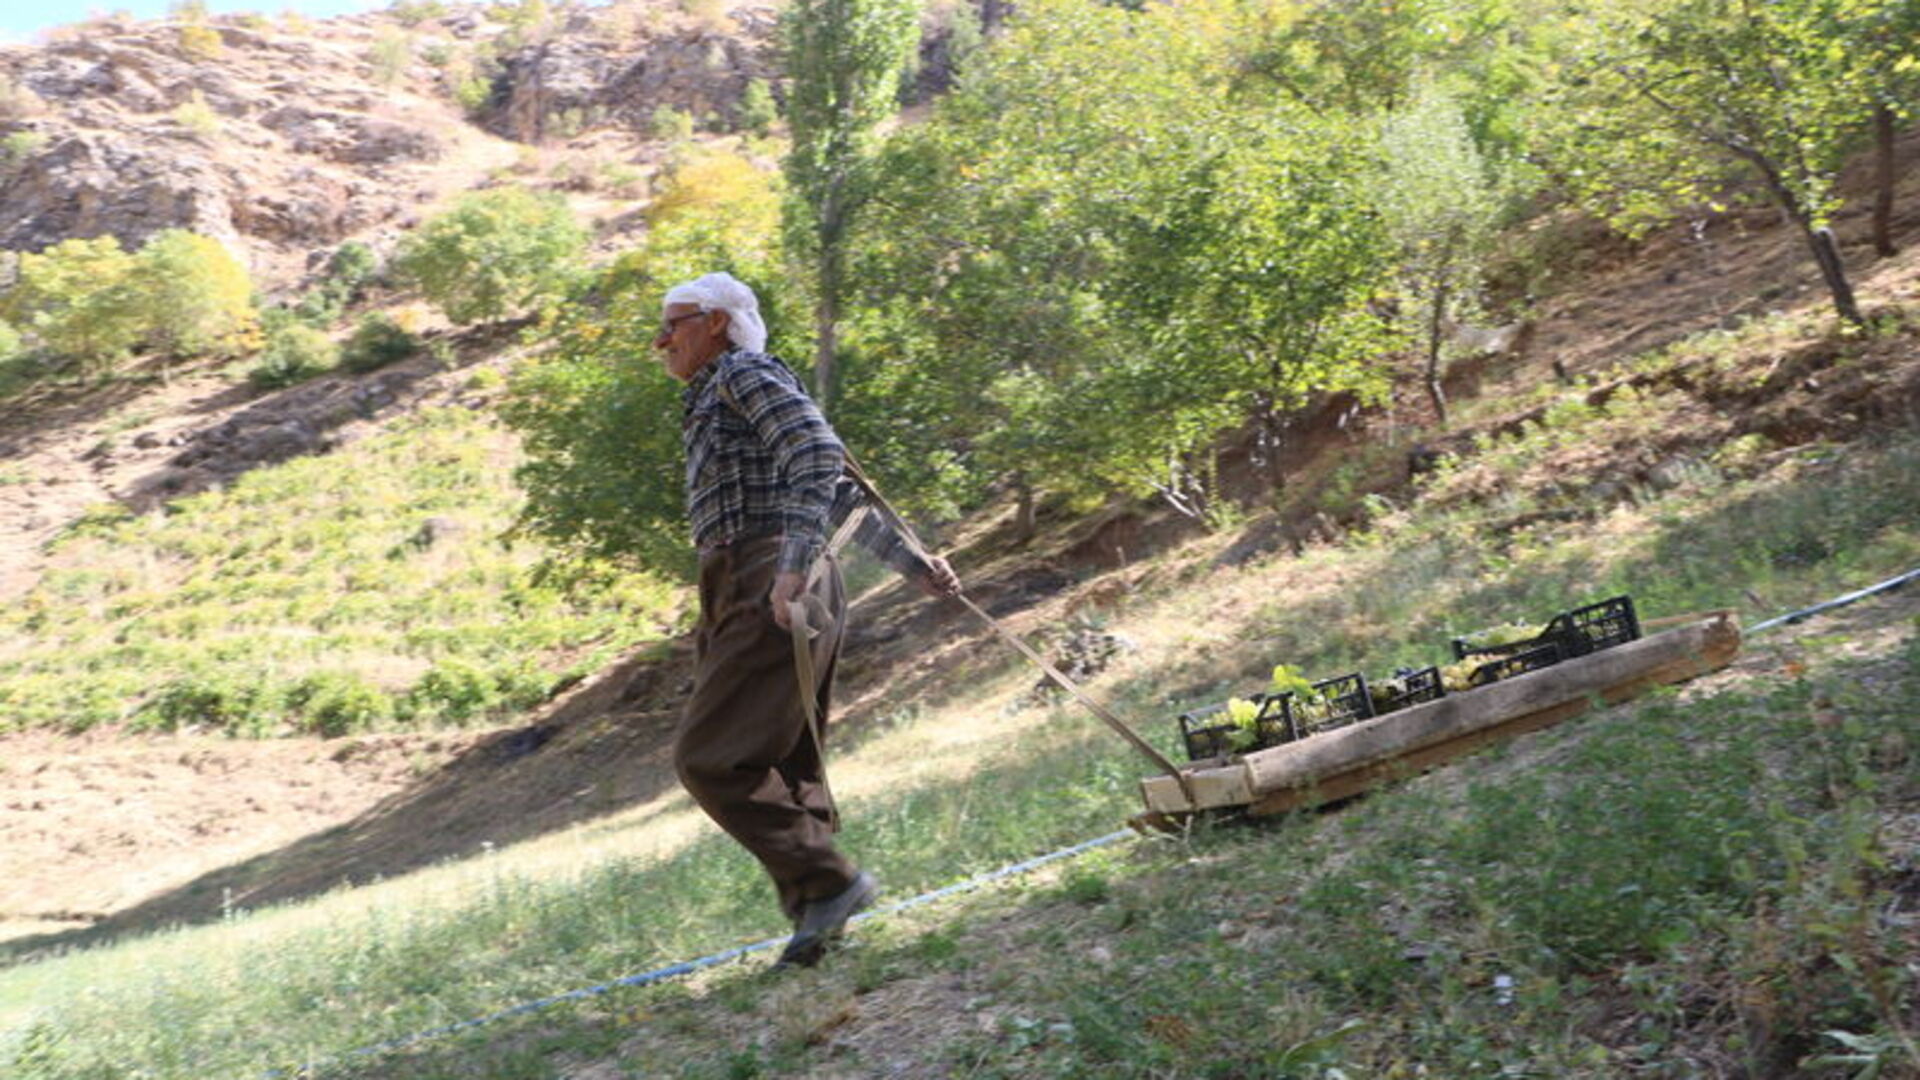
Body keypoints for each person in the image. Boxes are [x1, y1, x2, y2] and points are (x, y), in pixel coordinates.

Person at [654, 272, 961, 968]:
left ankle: (829, 885)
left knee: (711, 758)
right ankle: (820, 919)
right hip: (745, 578)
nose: (660, 341)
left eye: (673, 325)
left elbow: (819, 457)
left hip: (768, 576)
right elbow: (837, 488)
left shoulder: (743, 372)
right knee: (783, 760)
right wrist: (911, 563)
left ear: (717, 324)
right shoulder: (719, 390)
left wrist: (791, 567)